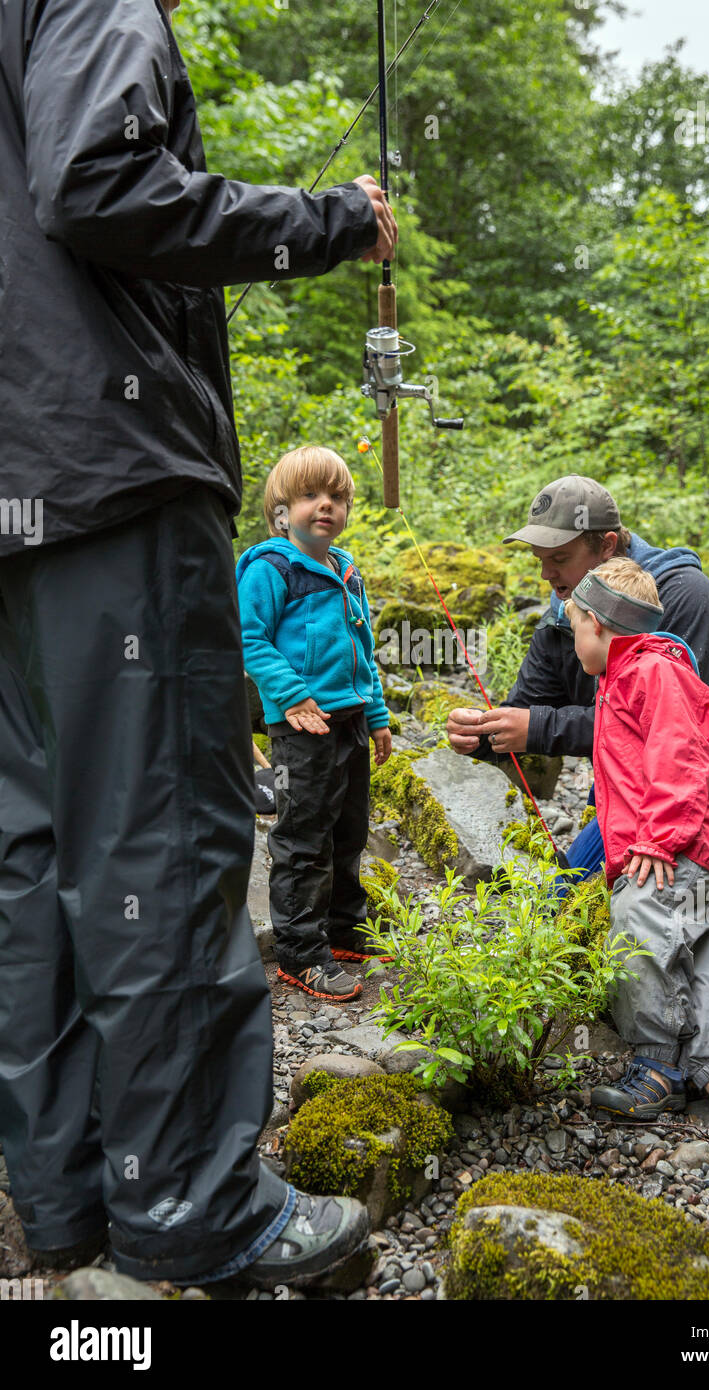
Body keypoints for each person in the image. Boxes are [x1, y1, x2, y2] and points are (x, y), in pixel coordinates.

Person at [0, 0, 397, 1287]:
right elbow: (100, 183)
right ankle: (194, 1212)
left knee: (34, 863)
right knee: (159, 847)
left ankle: (70, 1216)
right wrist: (327, 222)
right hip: (109, 481)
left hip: (14, 501)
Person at [446, 476, 709, 889]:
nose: (545, 574)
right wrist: (484, 734)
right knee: (588, 894)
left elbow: (664, 728)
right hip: (633, 767)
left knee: (569, 899)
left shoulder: (682, 594)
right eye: (539, 559)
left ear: (607, 545)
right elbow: (526, 709)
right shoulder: (564, 613)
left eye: (559, 557)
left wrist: (537, 728)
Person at [563, 559, 709, 1158]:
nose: (572, 638)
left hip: (672, 844)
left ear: (601, 626)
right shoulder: (635, 676)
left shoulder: (649, 672)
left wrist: (655, 839)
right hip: (698, 848)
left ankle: (655, 1066)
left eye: (575, 625)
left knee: (637, 930)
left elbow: (678, 758)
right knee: (698, 945)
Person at [237, 446, 393, 1002]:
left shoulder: (345, 569)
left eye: (337, 497)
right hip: (301, 728)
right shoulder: (270, 566)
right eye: (309, 496)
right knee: (304, 836)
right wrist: (292, 695)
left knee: (348, 830)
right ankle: (300, 951)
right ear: (281, 510)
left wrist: (376, 715)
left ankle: (345, 927)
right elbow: (249, 638)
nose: (325, 505)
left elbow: (363, 650)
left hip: (349, 722)